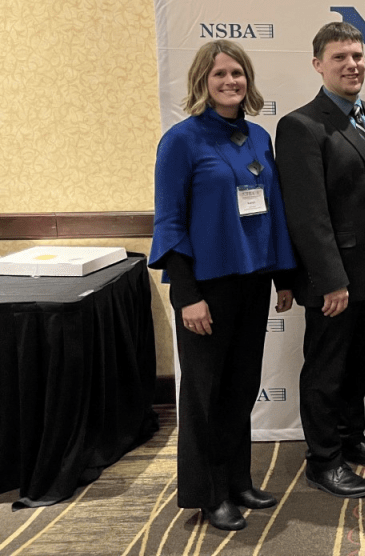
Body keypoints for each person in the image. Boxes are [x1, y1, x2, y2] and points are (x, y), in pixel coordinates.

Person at [150, 40, 295, 531]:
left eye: (238, 73)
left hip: (252, 282)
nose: (230, 81)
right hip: (205, 289)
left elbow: (272, 212)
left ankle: (238, 481)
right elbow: (169, 222)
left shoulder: (258, 137)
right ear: (202, 82)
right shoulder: (181, 140)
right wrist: (187, 295)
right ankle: (208, 494)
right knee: (205, 395)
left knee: (240, 388)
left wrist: (283, 278)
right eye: (220, 74)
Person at [275, 22, 365, 500]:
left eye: (357, 56)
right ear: (318, 65)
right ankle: (323, 460)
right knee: (326, 372)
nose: (352, 65)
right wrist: (331, 280)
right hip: (334, 280)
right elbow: (308, 214)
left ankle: (352, 439)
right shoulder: (301, 125)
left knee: (359, 366)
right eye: (339, 57)